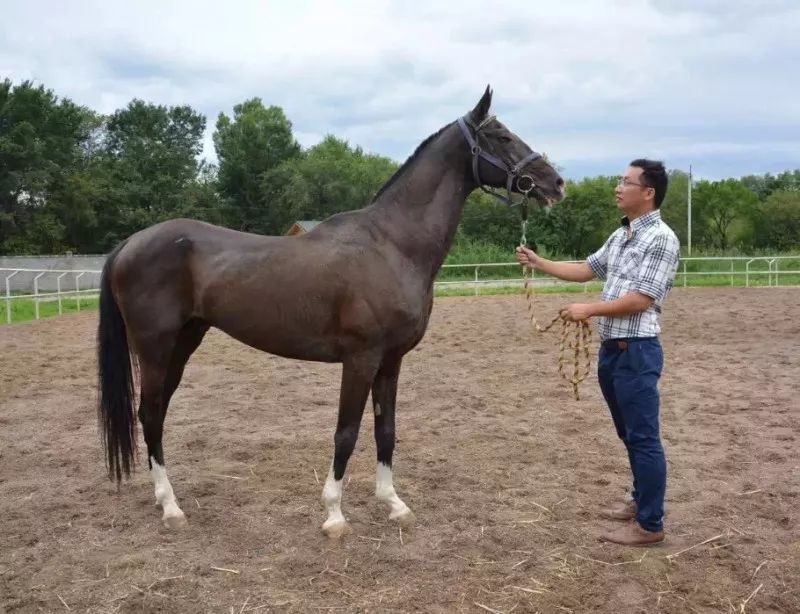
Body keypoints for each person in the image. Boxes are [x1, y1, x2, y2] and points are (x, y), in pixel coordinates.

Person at [516, 159, 680, 546]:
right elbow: (587, 269)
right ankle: (640, 502)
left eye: (626, 182)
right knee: (630, 435)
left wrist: (587, 309)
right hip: (614, 353)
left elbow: (641, 299)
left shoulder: (661, 238)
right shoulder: (621, 235)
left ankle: (650, 525)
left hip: (637, 351)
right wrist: (540, 263)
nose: (617, 187)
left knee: (643, 438)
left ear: (648, 192)